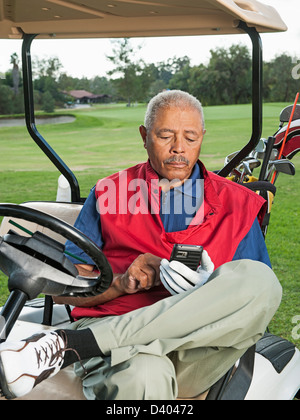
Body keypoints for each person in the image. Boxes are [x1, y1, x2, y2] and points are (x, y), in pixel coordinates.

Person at [0, 90, 282, 400]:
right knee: (143, 373)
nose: (178, 149)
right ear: (144, 136)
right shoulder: (109, 193)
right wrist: (122, 283)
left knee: (263, 281)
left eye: (190, 137)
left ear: (203, 136)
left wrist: (211, 288)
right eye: (165, 136)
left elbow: (257, 304)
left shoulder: (237, 203)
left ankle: (70, 346)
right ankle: (90, 343)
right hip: (120, 347)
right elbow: (71, 295)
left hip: (196, 349)